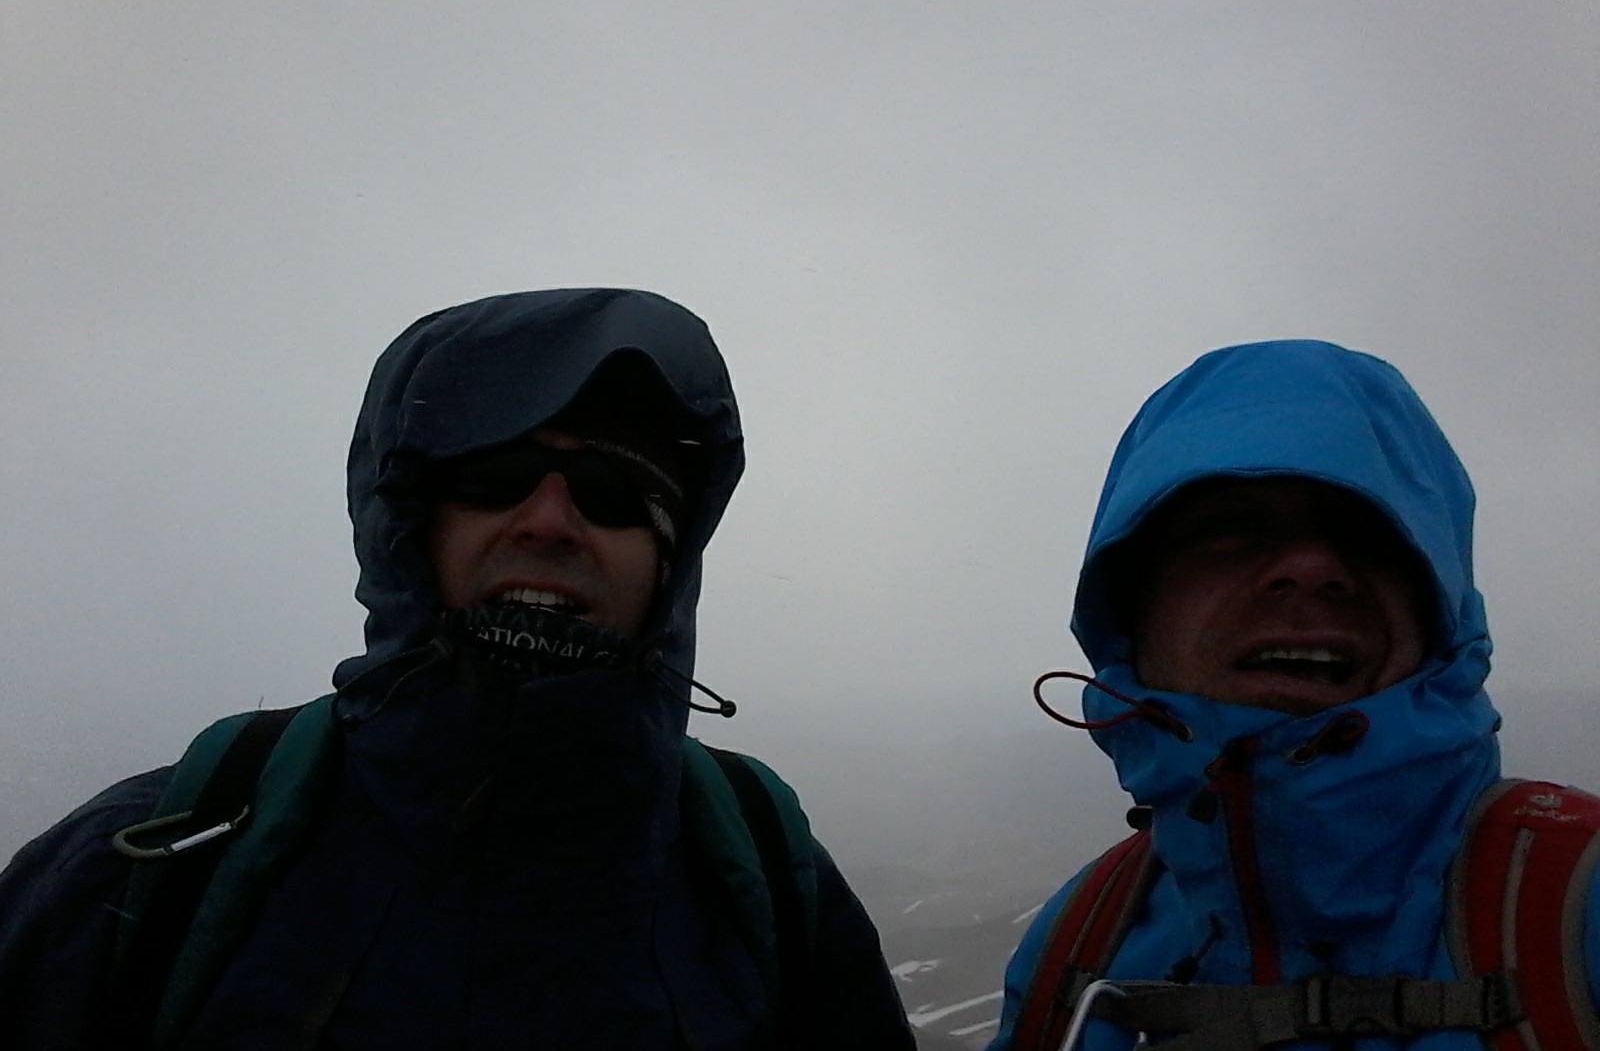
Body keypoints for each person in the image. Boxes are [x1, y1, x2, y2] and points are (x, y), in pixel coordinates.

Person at [0, 288, 914, 1050]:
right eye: (493, 475)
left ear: (669, 563)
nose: (548, 522)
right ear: (407, 524)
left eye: (612, 492)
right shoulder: (149, 865)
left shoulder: (764, 874)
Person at [989, 339, 1600, 1051]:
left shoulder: (1580, 909)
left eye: (1369, 532)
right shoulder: (1074, 944)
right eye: (1230, 528)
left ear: (1439, 613)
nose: (1312, 566)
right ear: (1132, 609)